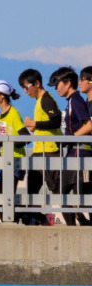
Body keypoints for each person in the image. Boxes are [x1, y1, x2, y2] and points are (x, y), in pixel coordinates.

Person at [0, 80, 42, 225]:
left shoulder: (13, 114)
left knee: (7, 196)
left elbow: (25, 137)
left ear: (2, 95)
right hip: (4, 161)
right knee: (1, 196)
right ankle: (23, 218)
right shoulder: (0, 116)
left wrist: (8, 142)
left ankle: (27, 218)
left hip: (15, 161)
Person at [20, 67, 61, 224]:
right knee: (30, 192)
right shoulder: (39, 101)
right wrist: (36, 126)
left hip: (49, 152)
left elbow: (56, 120)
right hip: (39, 152)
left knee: (57, 190)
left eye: (27, 87)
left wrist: (35, 123)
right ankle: (42, 219)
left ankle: (77, 220)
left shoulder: (47, 99)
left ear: (37, 83)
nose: (25, 91)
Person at [51, 67, 91, 226]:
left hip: (78, 152)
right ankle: (80, 221)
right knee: (69, 192)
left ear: (67, 83)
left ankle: (74, 227)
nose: (56, 88)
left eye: (57, 84)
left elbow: (88, 125)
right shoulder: (72, 101)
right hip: (74, 152)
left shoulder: (76, 100)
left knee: (61, 191)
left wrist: (70, 138)